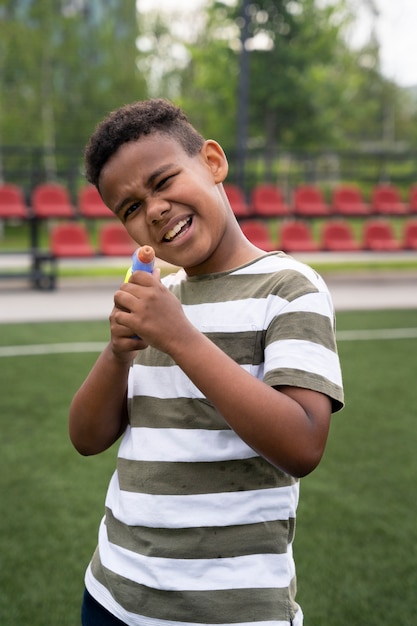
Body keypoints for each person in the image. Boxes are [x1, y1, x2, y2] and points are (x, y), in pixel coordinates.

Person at [69, 98, 344, 626]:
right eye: (129, 208)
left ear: (213, 162)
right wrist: (117, 351)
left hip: (229, 609)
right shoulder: (159, 298)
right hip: (114, 593)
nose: (152, 210)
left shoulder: (289, 290)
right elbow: (86, 438)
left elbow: (303, 444)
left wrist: (180, 337)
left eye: (163, 180)